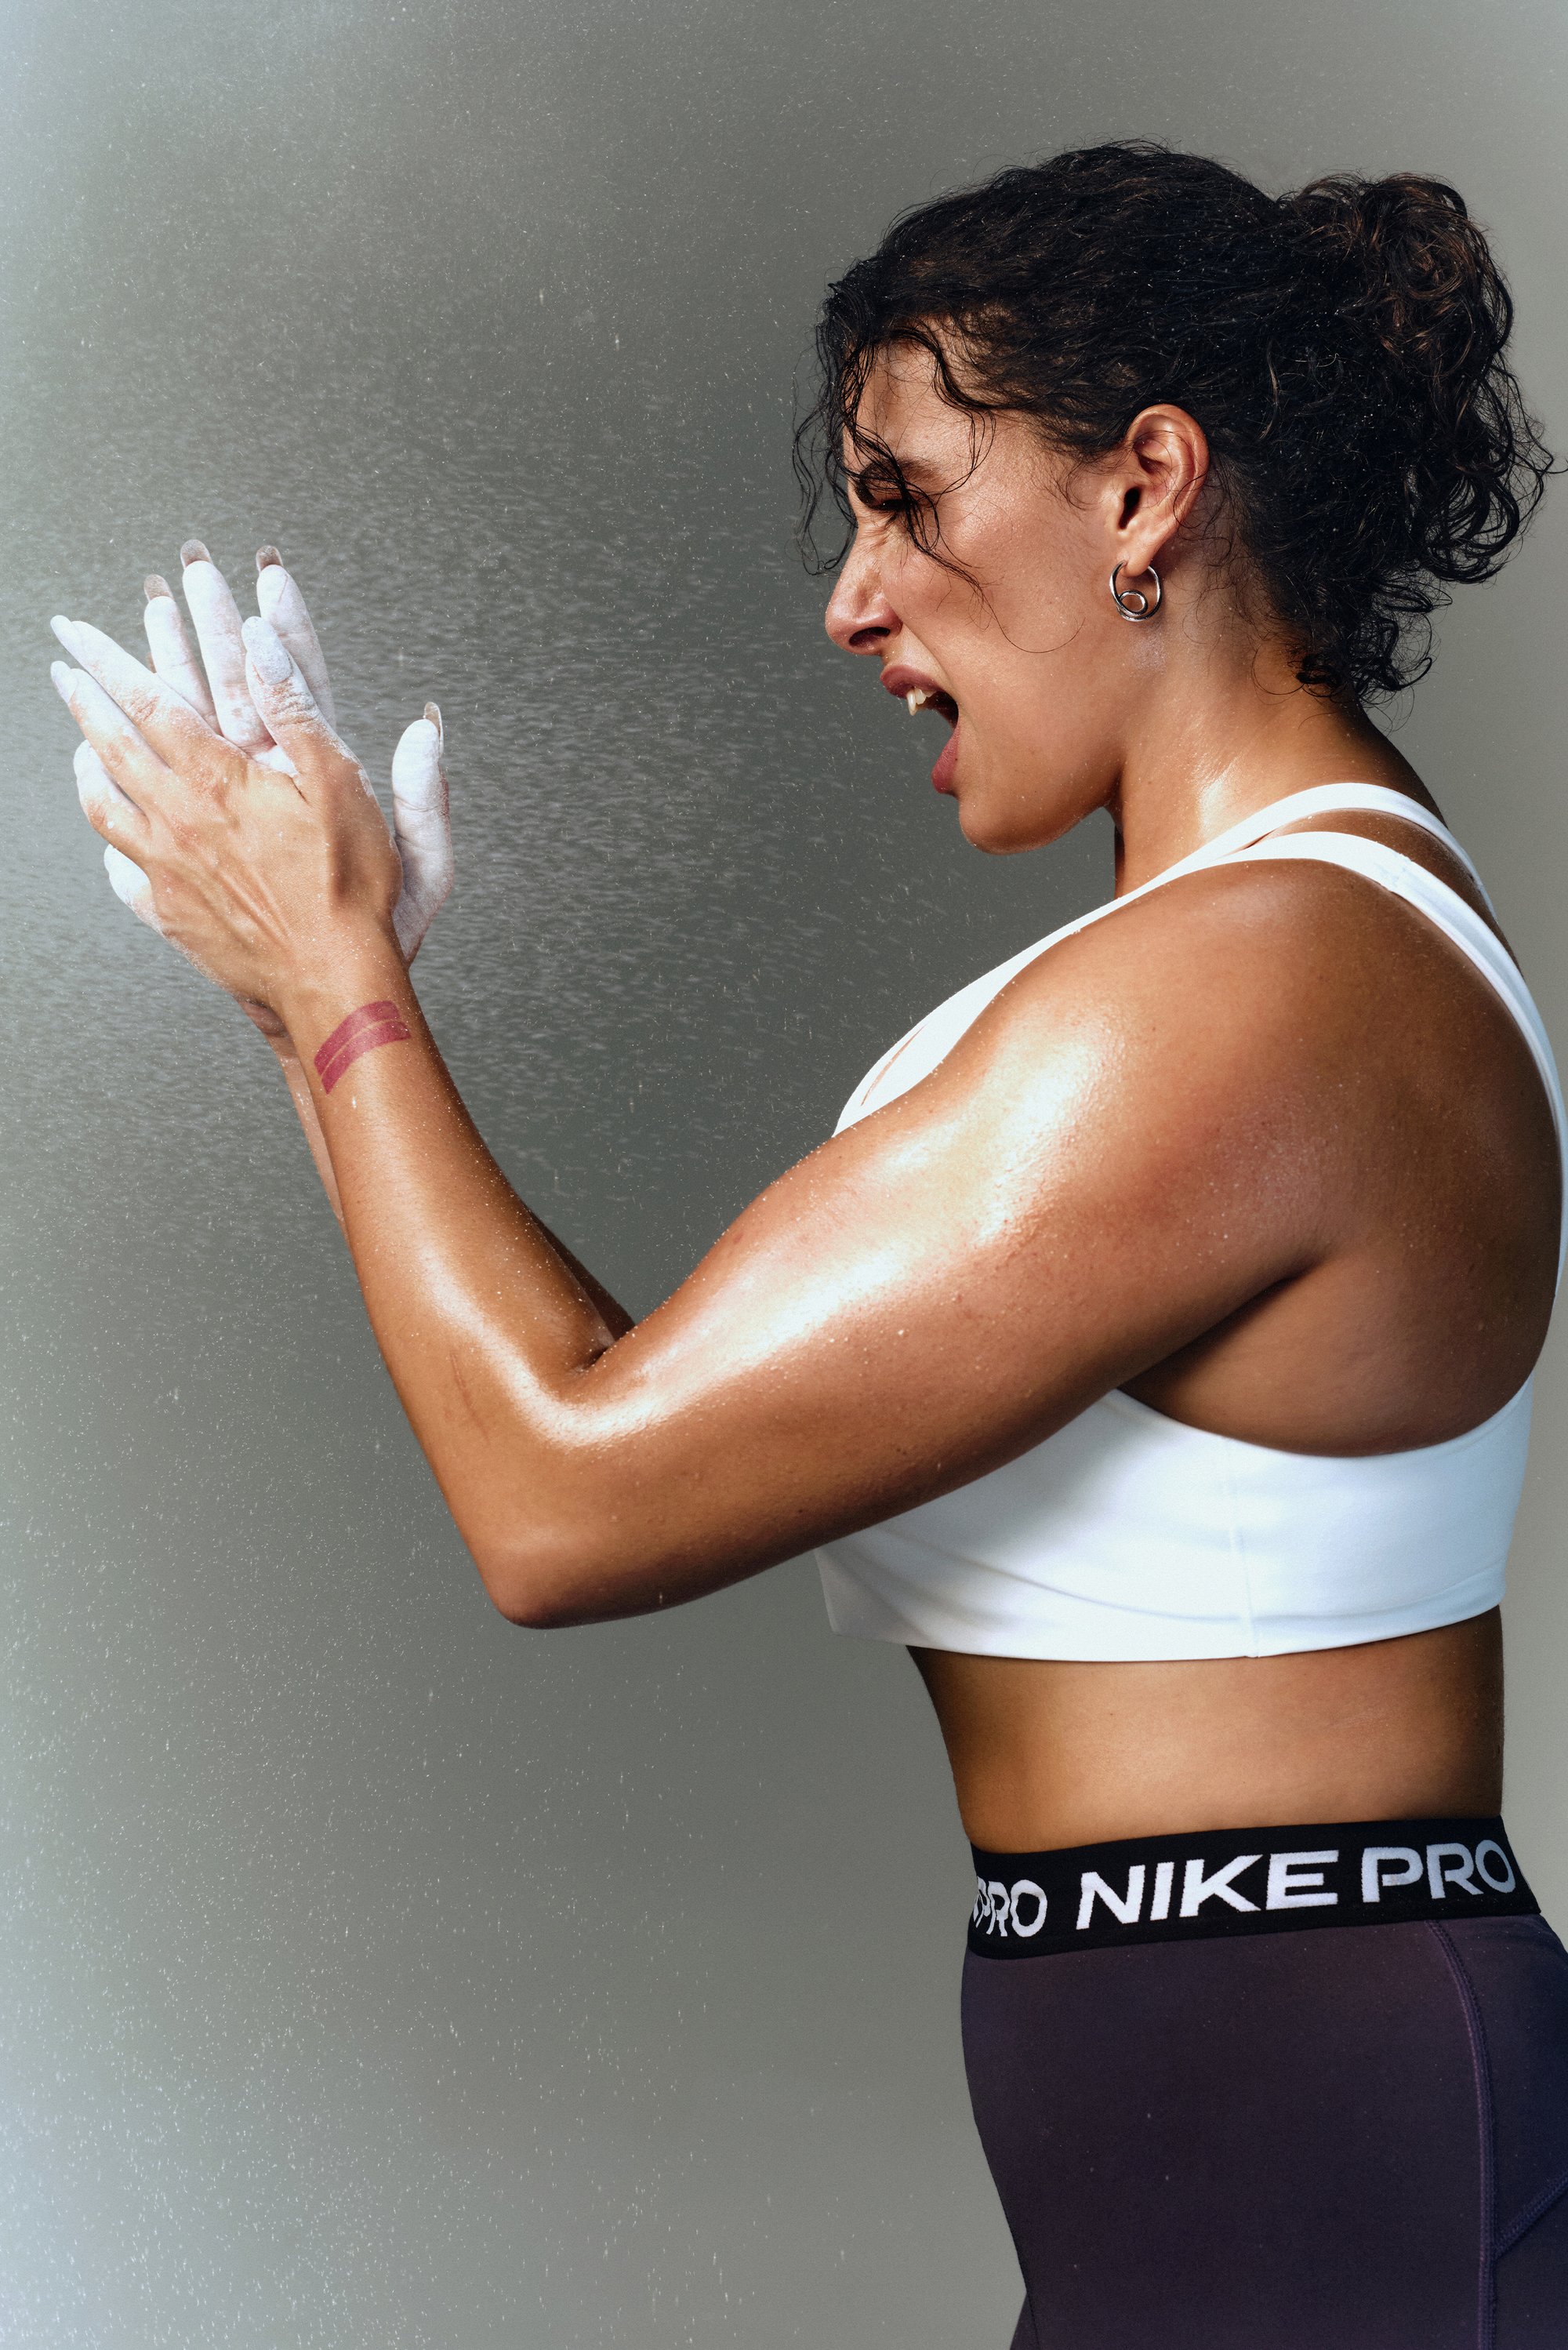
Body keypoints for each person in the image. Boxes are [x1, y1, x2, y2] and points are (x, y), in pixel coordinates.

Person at [49, 141, 1568, 2346]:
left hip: (1312, 2158)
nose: (854, 600)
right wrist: (330, 1007)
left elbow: (559, 1504)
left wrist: (339, 988)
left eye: (908, 497)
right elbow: (646, 1420)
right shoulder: (1285, 947)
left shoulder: (1249, 992)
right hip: (1273, 2138)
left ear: (1145, 487)